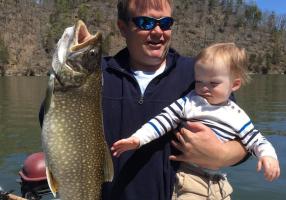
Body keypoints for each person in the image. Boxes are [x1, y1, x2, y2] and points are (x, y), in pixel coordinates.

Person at [41, 0, 249, 199]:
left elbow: (245, 141)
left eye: (165, 23)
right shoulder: (97, 73)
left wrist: (221, 154)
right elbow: (52, 124)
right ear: (123, 28)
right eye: (145, 23)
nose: (158, 31)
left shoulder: (200, 76)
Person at [111, 42, 281, 199]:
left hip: (220, 183)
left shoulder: (238, 115)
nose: (204, 88)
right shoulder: (190, 101)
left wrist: (268, 156)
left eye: (214, 83)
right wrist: (138, 139)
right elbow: (163, 120)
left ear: (234, 85)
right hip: (188, 177)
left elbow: (256, 140)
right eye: (199, 81)